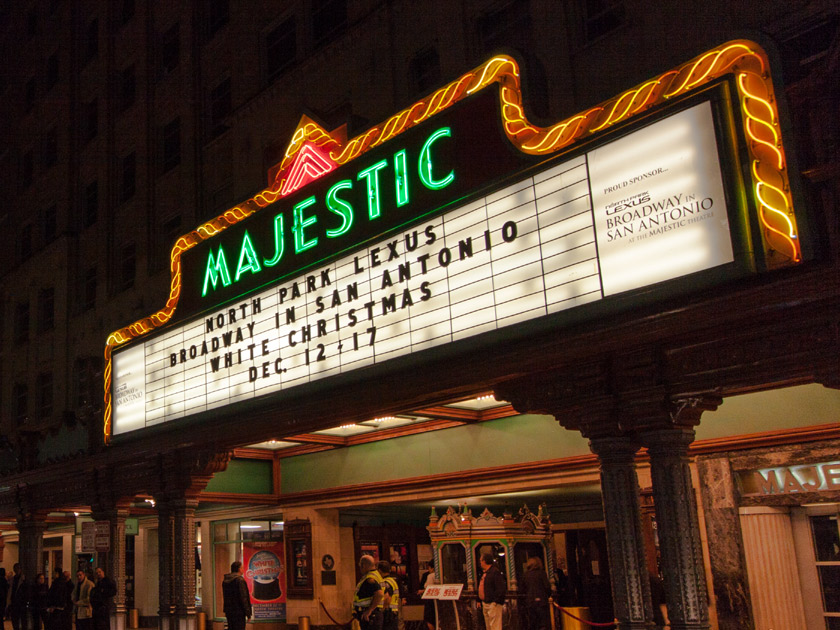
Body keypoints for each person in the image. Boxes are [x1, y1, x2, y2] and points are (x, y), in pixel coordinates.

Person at [351, 555, 383, 630]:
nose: (360, 569)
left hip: (370, 616)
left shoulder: (370, 578)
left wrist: (370, 610)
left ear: (364, 565)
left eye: (360, 566)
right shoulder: (377, 575)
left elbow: (379, 594)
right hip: (375, 614)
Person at [478, 554, 506, 630]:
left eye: (481, 561)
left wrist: (495, 602)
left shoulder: (495, 572)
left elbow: (500, 588)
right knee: (489, 627)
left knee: (495, 626)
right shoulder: (485, 573)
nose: (480, 563)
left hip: (493, 604)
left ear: (484, 561)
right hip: (486, 603)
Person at [521, 557, 550, 630]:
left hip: (530, 601)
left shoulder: (526, 575)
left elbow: (523, 588)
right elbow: (547, 586)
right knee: (543, 622)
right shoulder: (542, 573)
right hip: (542, 601)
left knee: (532, 622)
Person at [221, 561, 252, 630]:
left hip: (229, 611)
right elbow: (243, 597)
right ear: (239, 569)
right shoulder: (240, 580)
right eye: (242, 568)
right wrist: (248, 613)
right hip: (239, 612)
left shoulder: (225, 580)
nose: (243, 569)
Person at [376, 561, 399, 630]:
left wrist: (381, 611)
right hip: (393, 612)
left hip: (388, 613)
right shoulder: (392, 581)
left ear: (379, 570)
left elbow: (387, 598)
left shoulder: (386, 582)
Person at [9, 563, 27, 630]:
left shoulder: (23, 579)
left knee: (23, 619)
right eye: (15, 568)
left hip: (21, 602)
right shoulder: (13, 579)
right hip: (14, 602)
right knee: (15, 619)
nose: (17, 570)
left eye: (18, 568)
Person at [418, 561, 435, 630]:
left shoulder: (430, 576)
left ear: (432, 568)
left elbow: (428, 588)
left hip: (430, 600)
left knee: (430, 619)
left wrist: (421, 591)